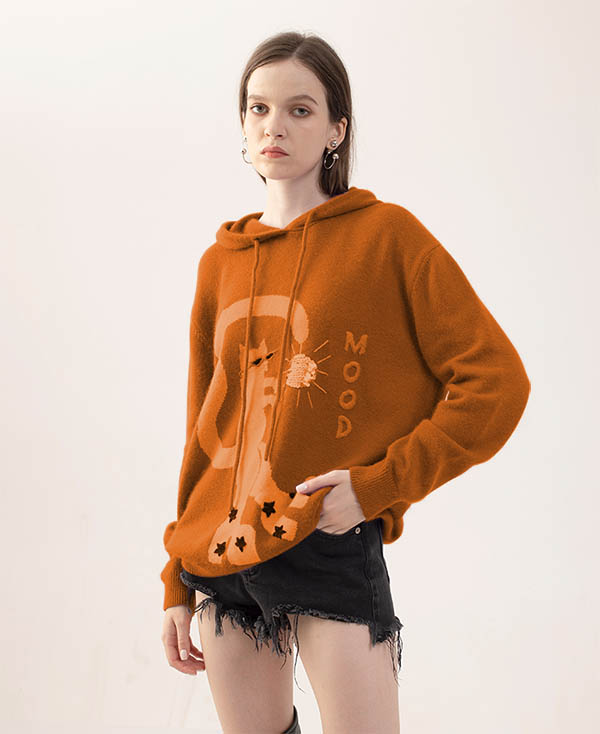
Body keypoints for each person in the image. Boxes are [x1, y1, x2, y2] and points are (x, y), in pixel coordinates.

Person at [160, 30, 531, 734]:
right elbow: (204, 430)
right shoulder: (220, 262)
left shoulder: (387, 236)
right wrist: (174, 579)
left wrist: (377, 486)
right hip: (220, 558)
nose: (274, 126)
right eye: (259, 108)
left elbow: (497, 384)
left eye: (299, 110)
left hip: (326, 541)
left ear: (337, 128)